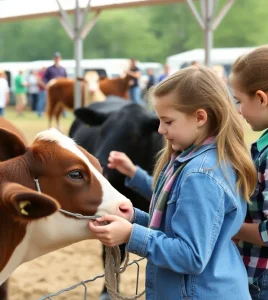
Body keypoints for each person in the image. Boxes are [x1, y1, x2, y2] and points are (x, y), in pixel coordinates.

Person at [89, 66, 257, 300]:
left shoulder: (200, 176)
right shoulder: (200, 161)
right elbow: (175, 228)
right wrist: (133, 218)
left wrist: (131, 235)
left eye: (167, 121)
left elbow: (190, 255)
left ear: (200, 117)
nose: (160, 130)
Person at [230, 45, 268, 300]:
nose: (239, 111)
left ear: (262, 98)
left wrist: (229, 228)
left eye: (239, 101)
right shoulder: (261, 146)